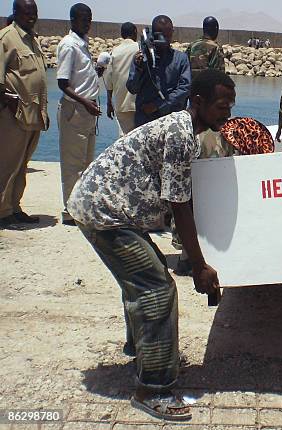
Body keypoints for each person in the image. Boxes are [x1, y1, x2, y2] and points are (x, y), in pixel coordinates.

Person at [67, 70, 235, 421]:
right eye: (221, 106)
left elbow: (185, 199)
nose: (227, 113)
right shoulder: (180, 134)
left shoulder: (191, 131)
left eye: (231, 105)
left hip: (114, 209)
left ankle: (142, 349)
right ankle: (153, 388)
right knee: (157, 288)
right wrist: (200, 266)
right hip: (105, 211)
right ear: (199, 102)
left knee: (146, 277)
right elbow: (180, 205)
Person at [0, 0, 48, 228]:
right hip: (12, 115)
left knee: (21, 166)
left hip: (32, 114)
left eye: (34, 12)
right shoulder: (6, 38)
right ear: (16, 13)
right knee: (6, 164)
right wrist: (6, 100)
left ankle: (14, 207)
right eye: (27, 12)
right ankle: (2, 212)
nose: (31, 16)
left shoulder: (33, 39)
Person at [56, 3, 100, 226]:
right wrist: (85, 103)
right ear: (73, 20)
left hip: (87, 111)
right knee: (73, 164)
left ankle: (79, 207)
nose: (88, 23)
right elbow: (62, 83)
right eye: (83, 19)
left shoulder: (83, 44)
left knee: (85, 163)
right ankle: (69, 211)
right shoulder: (69, 45)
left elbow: (80, 77)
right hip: (76, 110)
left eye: (89, 19)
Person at [127, 15, 191, 127]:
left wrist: (158, 105)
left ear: (172, 32)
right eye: (160, 34)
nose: (165, 39)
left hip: (172, 122)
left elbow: (184, 88)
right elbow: (132, 88)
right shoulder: (143, 58)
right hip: (145, 123)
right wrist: (139, 68)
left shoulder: (180, 59)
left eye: (168, 34)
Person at [104, 22, 138, 136]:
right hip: (138, 103)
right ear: (135, 32)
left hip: (121, 103)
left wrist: (109, 103)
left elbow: (109, 80)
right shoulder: (139, 48)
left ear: (122, 34)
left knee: (124, 140)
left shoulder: (114, 52)